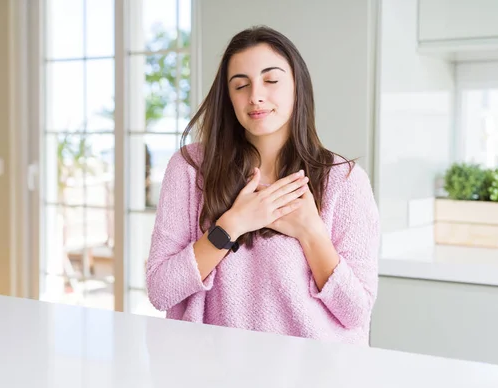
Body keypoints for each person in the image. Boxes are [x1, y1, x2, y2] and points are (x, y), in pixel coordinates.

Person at [146, 25, 380, 345]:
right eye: (241, 85)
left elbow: (356, 313)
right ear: (228, 97)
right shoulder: (190, 168)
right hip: (209, 376)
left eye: (271, 80)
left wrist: (311, 232)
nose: (255, 95)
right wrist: (232, 225)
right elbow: (161, 291)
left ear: (297, 86)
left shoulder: (345, 181)